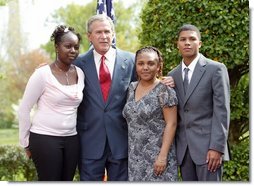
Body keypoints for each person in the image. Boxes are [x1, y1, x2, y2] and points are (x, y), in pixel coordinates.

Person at [74, 14, 136, 181]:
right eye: (98, 32)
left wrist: (165, 81)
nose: (104, 36)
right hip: (90, 140)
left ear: (113, 33)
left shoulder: (131, 60)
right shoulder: (77, 63)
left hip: (120, 140)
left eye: (107, 32)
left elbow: (146, 87)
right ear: (89, 36)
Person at [18, 25, 84, 181]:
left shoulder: (80, 73)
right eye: (67, 46)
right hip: (44, 138)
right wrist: (25, 142)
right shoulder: (42, 74)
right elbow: (24, 109)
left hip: (71, 139)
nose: (73, 50)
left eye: (76, 47)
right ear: (56, 47)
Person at [168, 24, 230, 181]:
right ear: (177, 44)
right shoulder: (172, 75)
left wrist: (216, 148)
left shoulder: (215, 69)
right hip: (184, 150)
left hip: (208, 149)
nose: (187, 43)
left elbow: (222, 112)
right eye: (183, 39)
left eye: (192, 39)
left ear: (199, 43)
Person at [122, 46, 178, 181]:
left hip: (157, 157)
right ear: (136, 66)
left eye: (151, 63)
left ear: (158, 67)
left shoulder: (164, 90)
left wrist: (162, 156)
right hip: (135, 157)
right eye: (141, 63)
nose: (145, 67)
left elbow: (172, 123)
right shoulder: (131, 88)